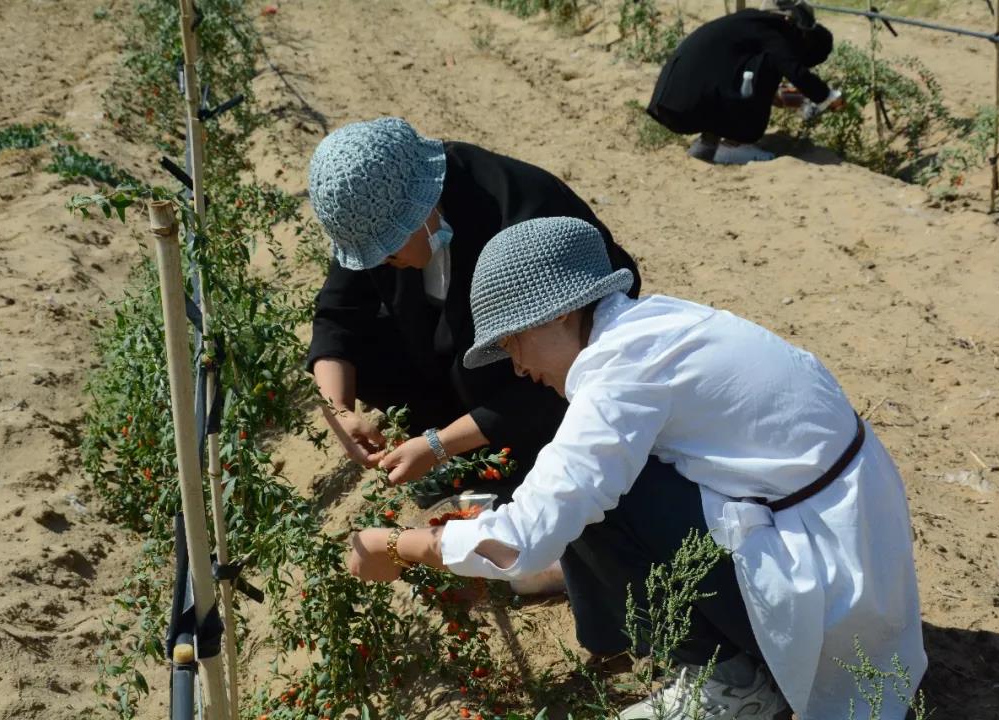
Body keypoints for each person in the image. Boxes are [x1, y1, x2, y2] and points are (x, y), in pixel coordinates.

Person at [347, 217, 927, 719]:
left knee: (600, 499)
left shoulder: (621, 375)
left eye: (515, 341)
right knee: (594, 476)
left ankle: (735, 685)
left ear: (565, 312)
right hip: (844, 539)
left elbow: (526, 535)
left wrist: (396, 547)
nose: (517, 366)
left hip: (827, 587)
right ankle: (722, 652)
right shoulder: (649, 326)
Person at [306, 117, 641, 512]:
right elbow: (338, 315)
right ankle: (462, 452)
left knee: (541, 367)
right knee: (361, 352)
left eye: (389, 251)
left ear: (419, 210)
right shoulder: (377, 208)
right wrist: (340, 412)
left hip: (535, 370)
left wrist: (439, 444)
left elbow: (576, 351)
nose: (381, 262)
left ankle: (509, 461)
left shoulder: (524, 215)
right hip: (451, 358)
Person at [646, 0, 843, 165]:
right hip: (687, 107)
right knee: (769, 66)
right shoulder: (775, 31)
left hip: (673, 102)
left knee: (758, 71)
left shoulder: (749, 26)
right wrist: (828, 97)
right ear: (789, 20)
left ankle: (709, 143)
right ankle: (736, 144)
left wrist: (796, 99)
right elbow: (793, 72)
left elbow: (764, 89)